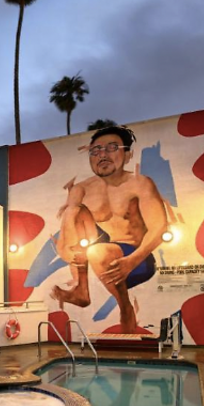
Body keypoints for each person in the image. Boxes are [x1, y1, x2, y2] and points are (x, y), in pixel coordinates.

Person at [51, 125, 167, 333]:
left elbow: (159, 228)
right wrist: (68, 251)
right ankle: (81, 290)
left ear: (128, 154)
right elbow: (68, 228)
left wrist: (131, 261)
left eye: (111, 147)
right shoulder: (81, 189)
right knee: (73, 211)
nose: (102, 155)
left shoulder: (139, 184)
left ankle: (125, 307)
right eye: (95, 151)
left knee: (97, 250)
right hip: (103, 256)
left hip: (138, 260)